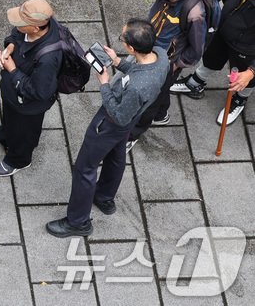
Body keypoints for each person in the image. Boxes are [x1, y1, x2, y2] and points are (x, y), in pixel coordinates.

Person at [47, 19, 167, 238]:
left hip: (111, 123)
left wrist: (104, 83)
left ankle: (78, 221)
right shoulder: (160, 56)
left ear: (132, 48)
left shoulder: (138, 88)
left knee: (85, 168)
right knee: (116, 155)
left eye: (123, 38)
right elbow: (139, 71)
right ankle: (104, 196)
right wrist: (117, 62)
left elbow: (119, 114)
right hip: (130, 119)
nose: (120, 40)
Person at [129, 0, 209, 147]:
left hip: (167, 61)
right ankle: (161, 114)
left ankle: (133, 134)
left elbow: (196, 50)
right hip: (153, 49)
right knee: (162, 89)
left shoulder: (194, 13)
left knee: (151, 97)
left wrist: (173, 66)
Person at [171, 0, 255, 125]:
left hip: (248, 46)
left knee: (242, 78)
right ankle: (196, 82)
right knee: (212, 56)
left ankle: (239, 99)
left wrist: (252, 71)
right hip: (225, 26)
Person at [0, 0, 64, 176]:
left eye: (21, 23)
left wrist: (12, 69)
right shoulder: (34, 29)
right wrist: (11, 46)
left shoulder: (48, 59)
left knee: (25, 132)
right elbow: (16, 35)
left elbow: (39, 91)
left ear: (35, 28)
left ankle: (18, 160)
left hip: (29, 105)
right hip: (14, 94)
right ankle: (6, 133)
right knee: (12, 119)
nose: (16, 24)